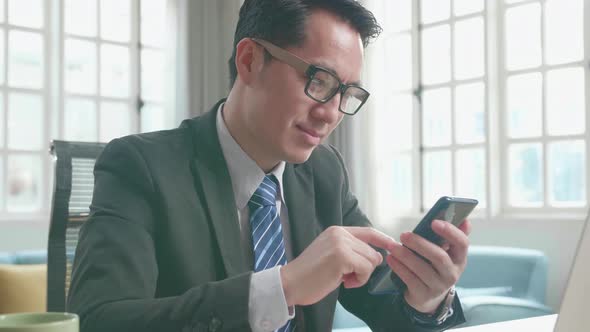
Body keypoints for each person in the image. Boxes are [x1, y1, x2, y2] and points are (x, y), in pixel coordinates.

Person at [67, 0, 471, 331]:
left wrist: (427, 300)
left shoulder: (324, 172)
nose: (330, 114)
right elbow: (100, 320)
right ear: (249, 60)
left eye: (345, 93)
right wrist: (282, 287)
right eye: (320, 81)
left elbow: (383, 307)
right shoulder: (140, 167)